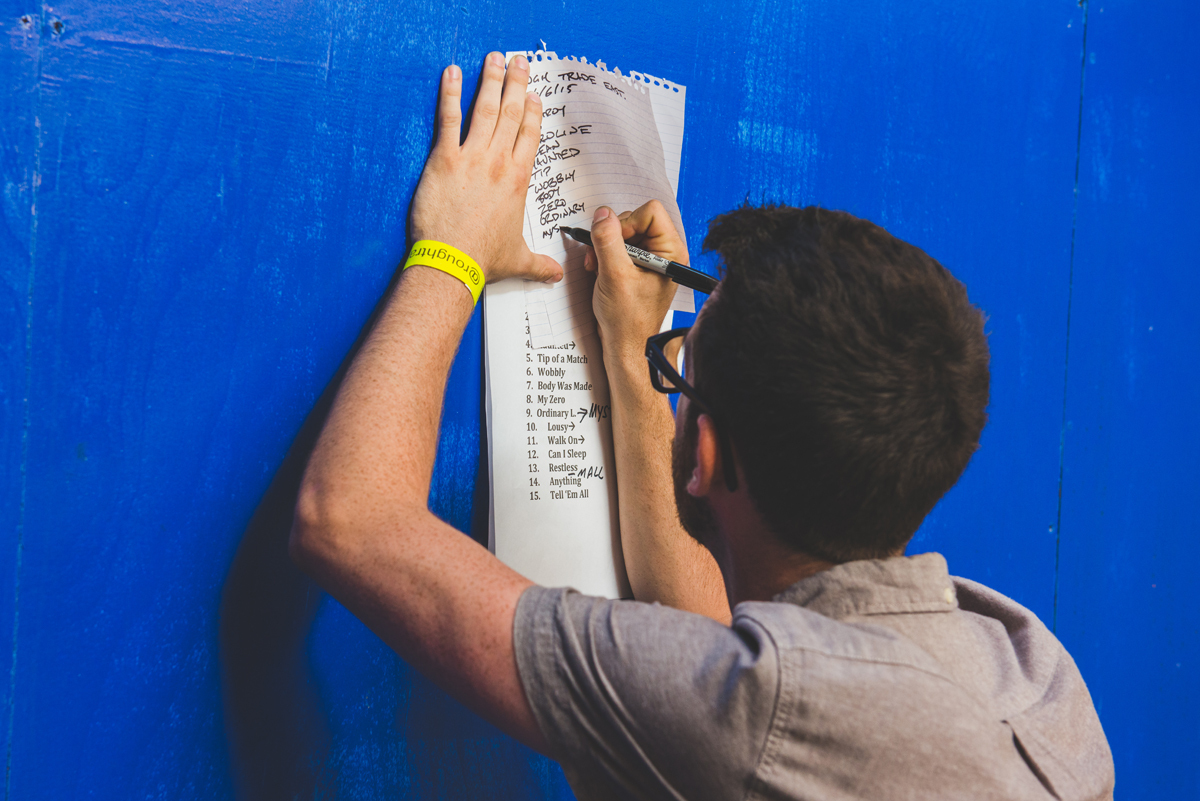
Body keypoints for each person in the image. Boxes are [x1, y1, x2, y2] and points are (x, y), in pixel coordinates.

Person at [290, 52, 1115, 800]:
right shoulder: (1031, 666)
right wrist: (635, 355)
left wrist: (454, 250)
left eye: (687, 370)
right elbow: (721, 643)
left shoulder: (759, 713)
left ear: (711, 449)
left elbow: (352, 520)